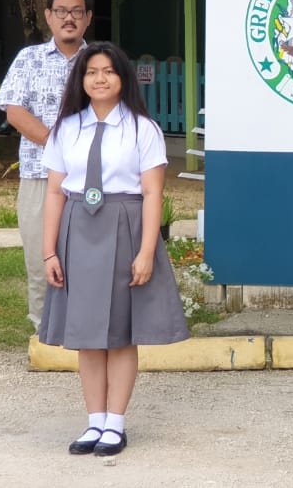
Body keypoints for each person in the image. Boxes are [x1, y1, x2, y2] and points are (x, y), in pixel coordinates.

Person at [39, 42, 190, 456]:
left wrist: (146, 251)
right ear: (81, 80)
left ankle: (116, 424)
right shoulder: (66, 129)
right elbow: (54, 191)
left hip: (125, 225)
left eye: (108, 71)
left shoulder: (144, 128)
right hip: (77, 227)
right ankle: (94, 422)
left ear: (122, 78)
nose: (99, 79)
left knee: (121, 332)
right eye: (91, 72)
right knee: (87, 332)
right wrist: (50, 251)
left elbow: (153, 193)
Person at [0, 0, 93, 327]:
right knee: (41, 260)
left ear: (88, 18)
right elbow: (15, 112)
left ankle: (86, 331)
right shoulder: (29, 58)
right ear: (49, 16)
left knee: (88, 261)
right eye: (62, 11)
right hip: (40, 175)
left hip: (91, 180)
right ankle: (44, 331)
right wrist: (61, 150)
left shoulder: (99, 62)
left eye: (77, 12)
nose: (69, 18)